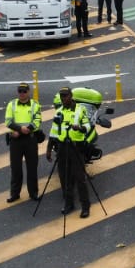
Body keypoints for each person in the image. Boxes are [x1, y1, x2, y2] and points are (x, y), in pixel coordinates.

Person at [50, 88, 92, 217]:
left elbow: (88, 125)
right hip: (62, 147)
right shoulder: (58, 112)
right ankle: (69, 203)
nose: (64, 98)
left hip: (76, 147)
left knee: (80, 178)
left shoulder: (80, 110)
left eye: (66, 96)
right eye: (62, 96)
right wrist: (48, 149)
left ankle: (85, 206)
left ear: (71, 96)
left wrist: (80, 127)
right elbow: (53, 132)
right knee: (64, 178)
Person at [4, 84, 42, 203]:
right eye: (20, 91)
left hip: (30, 139)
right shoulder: (12, 104)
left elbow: (37, 120)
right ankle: (15, 194)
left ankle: (33, 193)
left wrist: (26, 129)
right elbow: (8, 121)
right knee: (15, 168)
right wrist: (20, 130)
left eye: (24, 91)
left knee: (32, 167)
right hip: (16, 140)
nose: (22, 93)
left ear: (28, 92)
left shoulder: (35, 105)